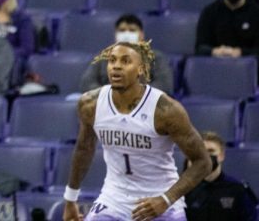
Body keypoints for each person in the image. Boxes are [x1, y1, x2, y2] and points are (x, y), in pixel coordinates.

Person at [62, 41, 211, 221]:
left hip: (159, 197)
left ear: (140, 69)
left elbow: (203, 162)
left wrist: (166, 199)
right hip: (114, 198)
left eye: (125, 61)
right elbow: (84, 149)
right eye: (112, 60)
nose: (116, 66)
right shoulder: (90, 104)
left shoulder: (165, 110)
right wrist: (70, 198)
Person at [79, 14, 174, 95]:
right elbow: (87, 83)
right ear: (115, 35)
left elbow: (165, 85)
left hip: (143, 104)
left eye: (132, 30)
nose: (126, 34)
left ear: (141, 35)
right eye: (122, 30)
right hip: (108, 103)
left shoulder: (156, 57)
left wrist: (134, 93)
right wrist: (110, 94)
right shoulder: (104, 57)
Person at [184, 131, 258, 221]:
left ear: (222, 156)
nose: (206, 156)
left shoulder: (237, 189)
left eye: (211, 151)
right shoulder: (186, 189)